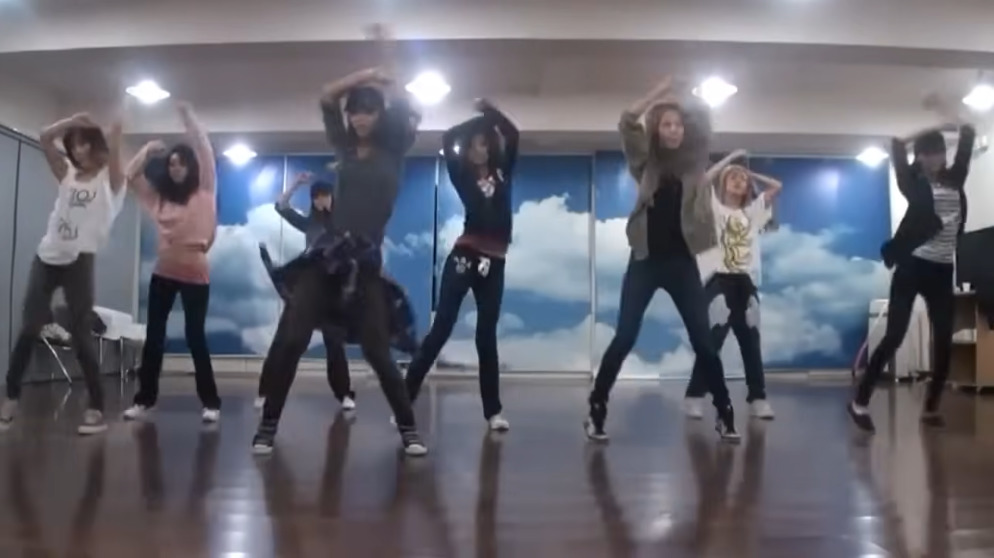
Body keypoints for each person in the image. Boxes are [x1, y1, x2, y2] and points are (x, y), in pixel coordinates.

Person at [251, 65, 426, 456]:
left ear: (381, 116)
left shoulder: (393, 150)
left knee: (377, 351)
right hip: (326, 259)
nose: (359, 118)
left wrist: (389, 69)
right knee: (293, 339)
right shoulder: (344, 149)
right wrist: (365, 75)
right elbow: (327, 95)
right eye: (354, 112)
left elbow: (404, 103)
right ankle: (267, 426)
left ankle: (409, 429)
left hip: (365, 262)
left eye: (368, 111)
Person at [586, 76, 739, 443]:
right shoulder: (646, 164)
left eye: (678, 125)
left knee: (703, 341)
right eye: (667, 124)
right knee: (625, 336)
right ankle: (596, 407)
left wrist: (685, 96)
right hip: (645, 261)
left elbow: (704, 119)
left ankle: (725, 411)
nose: (673, 130)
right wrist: (659, 93)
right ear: (658, 129)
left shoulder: (694, 166)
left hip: (682, 263)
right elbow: (627, 121)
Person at [849, 94, 976, 433]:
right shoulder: (912, 183)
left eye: (939, 152)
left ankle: (930, 407)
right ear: (919, 157)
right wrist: (926, 131)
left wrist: (946, 116)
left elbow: (968, 133)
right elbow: (895, 144)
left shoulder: (956, 177)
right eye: (928, 153)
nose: (935, 159)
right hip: (912, 268)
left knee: (944, 340)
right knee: (894, 336)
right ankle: (859, 401)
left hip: (942, 270)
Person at [0, 112, 127, 435]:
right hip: (47, 256)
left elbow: (116, 159)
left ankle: (96, 406)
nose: (79, 151)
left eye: (84, 144)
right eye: (75, 145)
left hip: (79, 261)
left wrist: (113, 133)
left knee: (81, 334)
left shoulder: (108, 182)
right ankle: (11, 396)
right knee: (30, 324)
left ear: (96, 146)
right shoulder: (67, 173)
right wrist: (72, 121)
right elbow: (45, 135)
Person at [403, 99, 519, 432]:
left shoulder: (503, 170)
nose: (479, 149)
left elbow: (513, 134)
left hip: (495, 263)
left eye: (484, 144)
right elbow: (448, 138)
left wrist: (490, 113)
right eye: (474, 145)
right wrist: (476, 123)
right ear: (467, 150)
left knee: (486, 337)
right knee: (441, 329)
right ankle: (404, 401)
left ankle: (493, 412)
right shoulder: (461, 173)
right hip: (465, 257)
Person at [121, 100, 221, 424]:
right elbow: (129, 175)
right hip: (163, 274)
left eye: (181, 163)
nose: (175, 168)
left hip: (195, 274)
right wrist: (147, 150)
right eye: (172, 164)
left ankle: (211, 403)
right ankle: (144, 399)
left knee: (195, 337)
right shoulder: (159, 198)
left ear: (191, 167)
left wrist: (188, 117)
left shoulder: (205, 190)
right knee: (155, 336)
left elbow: (203, 147)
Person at [685, 155, 782, 421]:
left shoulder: (752, 214)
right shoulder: (713, 209)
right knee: (713, 339)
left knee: (751, 339)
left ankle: (758, 398)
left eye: (742, 179)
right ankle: (694, 396)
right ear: (723, 182)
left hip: (745, 280)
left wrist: (751, 174)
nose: (739, 182)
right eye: (733, 178)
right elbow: (703, 181)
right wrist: (729, 161)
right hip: (718, 279)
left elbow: (776, 186)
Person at [254, 172, 355, 412]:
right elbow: (281, 206)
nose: (320, 200)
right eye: (316, 197)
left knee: (335, 345)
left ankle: (344, 394)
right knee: (283, 341)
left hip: (332, 292)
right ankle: (265, 391)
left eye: (325, 195)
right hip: (306, 288)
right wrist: (296, 184)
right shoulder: (309, 223)